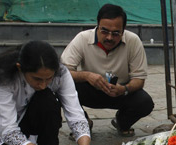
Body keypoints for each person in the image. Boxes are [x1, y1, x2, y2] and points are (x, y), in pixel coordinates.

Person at [0, 40, 92, 145]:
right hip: (3, 127)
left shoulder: (61, 73)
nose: (43, 84)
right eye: (37, 79)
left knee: (47, 99)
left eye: (49, 78)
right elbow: (8, 130)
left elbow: (75, 113)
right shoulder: (3, 78)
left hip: (34, 115)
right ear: (20, 68)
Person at [60, 3, 154, 137]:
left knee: (145, 102)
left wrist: (124, 89)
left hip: (120, 92)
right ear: (97, 26)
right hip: (91, 90)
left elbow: (139, 80)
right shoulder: (82, 38)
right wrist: (87, 76)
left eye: (116, 33)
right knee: (63, 88)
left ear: (123, 30)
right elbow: (63, 72)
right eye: (104, 31)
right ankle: (83, 122)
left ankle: (122, 122)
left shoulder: (133, 41)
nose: (109, 37)